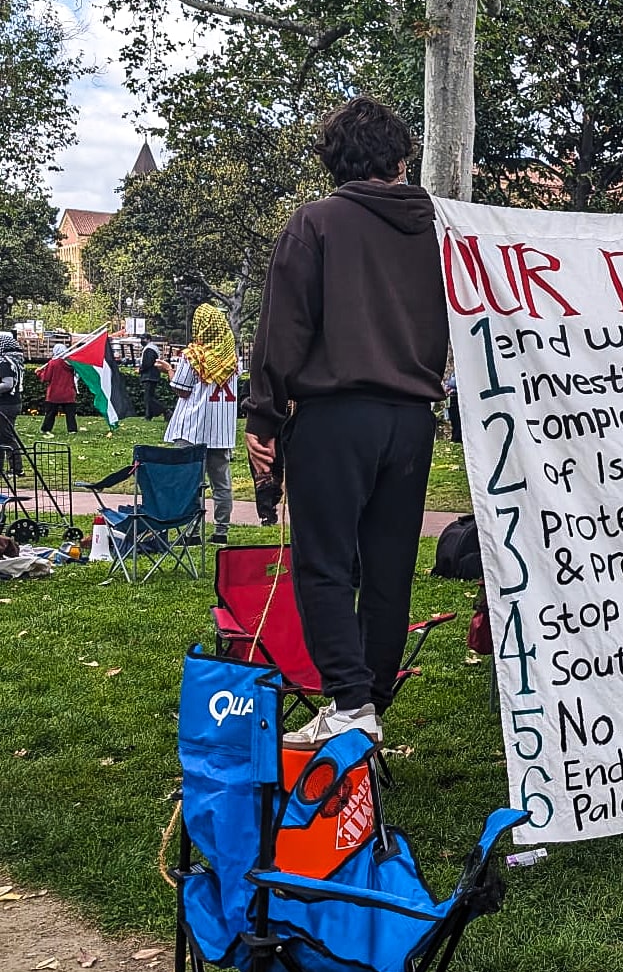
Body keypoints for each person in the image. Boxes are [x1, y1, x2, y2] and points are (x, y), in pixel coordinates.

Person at [246, 96, 445, 748]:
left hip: (337, 416)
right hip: (414, 419)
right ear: (400, 159)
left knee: (325, 562)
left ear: (334, 162)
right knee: (389, 567)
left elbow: (283, 330)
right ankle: (370, 704)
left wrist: (265, 416)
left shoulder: (318, 223)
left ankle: (351, 704)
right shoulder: (442, 230)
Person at [166, 304, 240, 545]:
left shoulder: (193, 357)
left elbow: (182, 390)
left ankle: (192, 532)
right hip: (221, 430)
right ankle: (221, 531)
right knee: (222, 483)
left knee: (191, 482)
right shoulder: (232, 360)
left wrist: (169, 370)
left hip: (193, 429)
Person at [36, 344, 78, 435]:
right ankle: (72, 429)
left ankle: (46, 429)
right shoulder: (71, 363)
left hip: (54, 393)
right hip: (69, 392)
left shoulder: (53, 363)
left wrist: (39, 372)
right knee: (70, 414)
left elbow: (46, 377)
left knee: (50, 413)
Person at [0, 333, 24, 474]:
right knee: (2, 436)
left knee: (6, 436)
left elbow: (7, 384)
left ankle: (17, 468)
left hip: (5, 404)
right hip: (11, 403)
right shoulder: (14, 362)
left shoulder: (4, 362)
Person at [138, 335, 165, 419]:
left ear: (148, 339)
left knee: (149, 398)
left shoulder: (149, 349)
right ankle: (148, 415)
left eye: (143, 339)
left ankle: (165, 411)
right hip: (152, 375)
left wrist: (140, 369)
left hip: (149, 375)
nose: (142, 340)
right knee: (149, 397)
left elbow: (148, 363)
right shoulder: (152, 348)